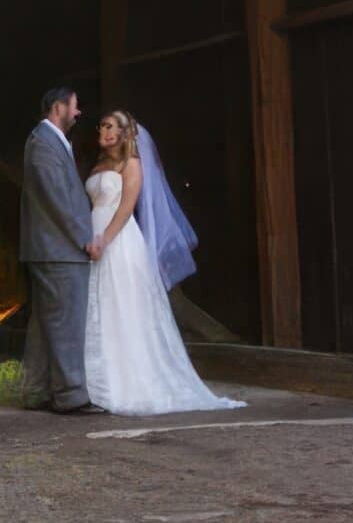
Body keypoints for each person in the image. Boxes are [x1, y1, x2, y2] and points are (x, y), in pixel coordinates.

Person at [81, 109, 244, 416]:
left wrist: (104, 239)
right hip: (94, 235)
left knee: (123, 307)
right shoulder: (100, 164)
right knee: (97, 307)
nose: (105, 131)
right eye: (102, 125)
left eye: (112, 126)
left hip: (119, 240)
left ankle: (128, 383)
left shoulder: (132, 164)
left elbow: (127, 208)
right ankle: (96, 383)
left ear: (124, 132)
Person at [18, 87, 98, 414]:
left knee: (45, 322)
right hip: (58, 249)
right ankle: (70, 396)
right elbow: (57, 199)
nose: (79, 113)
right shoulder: (42, 144)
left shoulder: (49, 142)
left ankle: (36, 390)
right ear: (58, 107)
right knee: (67, 322)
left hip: (53, 248)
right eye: (75, 107)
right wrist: (85, 238)